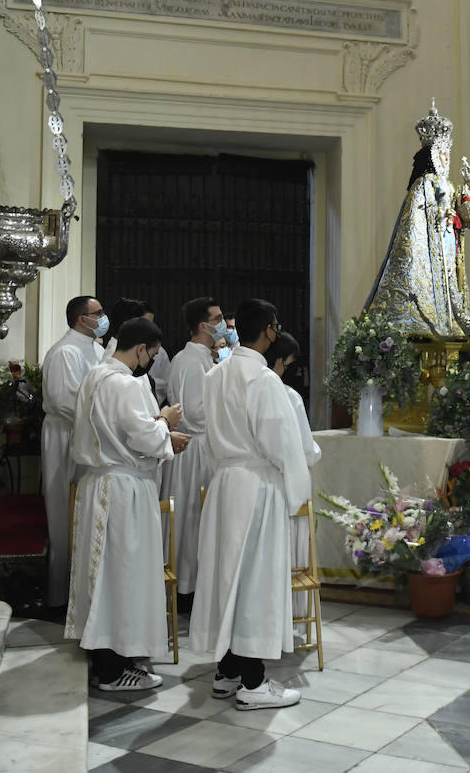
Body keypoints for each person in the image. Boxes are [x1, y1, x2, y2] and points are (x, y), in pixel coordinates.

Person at [191, 299, 304, 710]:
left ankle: (227, 671)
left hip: (225, 484)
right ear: (270, 331)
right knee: (254, 581)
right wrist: (297, 480)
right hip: (257, 485)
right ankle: (253, 684)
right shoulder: (264, 379)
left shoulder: (216, 374)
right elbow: (281, 444)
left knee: (228, 578)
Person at [65, 317, 190, 691]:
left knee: (102, 575)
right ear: (140, 349)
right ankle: (114, 669)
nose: (149, 361)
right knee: (122, 575)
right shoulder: (125, 384)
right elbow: (143, 437)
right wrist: (165, 423)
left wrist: (158, 429)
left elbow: (116, 430)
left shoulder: (94, 376)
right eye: (150, 354)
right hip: (122, 491)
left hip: (97, 485)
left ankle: (106, 656)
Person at [364, 100, 470, 338]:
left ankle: (450, 321)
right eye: (442, 154)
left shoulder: (448, 185)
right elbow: (414, 225)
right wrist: (442, 217)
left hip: (449, 250)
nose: (446, 159)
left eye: (448, 154)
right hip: (430, 248)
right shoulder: (423, 185)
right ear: (432, 155)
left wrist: (469, 186)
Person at [39, 295, 107, 607]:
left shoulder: (96, 347)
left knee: (87, 510)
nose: (103, 318)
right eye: (98, 313)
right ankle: (62, 595)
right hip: (66, 436)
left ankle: (88, 590)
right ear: (83, 318)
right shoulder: (65, 352)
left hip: (89, 435)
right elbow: (64, 401)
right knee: (65, 511)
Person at [164, 296, 227, 609]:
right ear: (203, 326)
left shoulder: (203, 358)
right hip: (194, 447)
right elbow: (194, 412)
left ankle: (192, 584)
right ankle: (185, 589)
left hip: (200, 445)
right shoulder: (190, 360)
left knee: (196, 520)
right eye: (218, 318)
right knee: (190, 519)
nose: (224, 323)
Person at [265, 331, 322, 628]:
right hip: (284, 485)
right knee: (292, 553)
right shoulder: (287, 395)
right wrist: (315, 453)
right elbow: (304, 450)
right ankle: (293, 617)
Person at [141, 302, 173, 407]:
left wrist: (152, 383)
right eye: (145, 323)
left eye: (151, 323)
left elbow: (167, 384)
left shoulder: (160, 352)